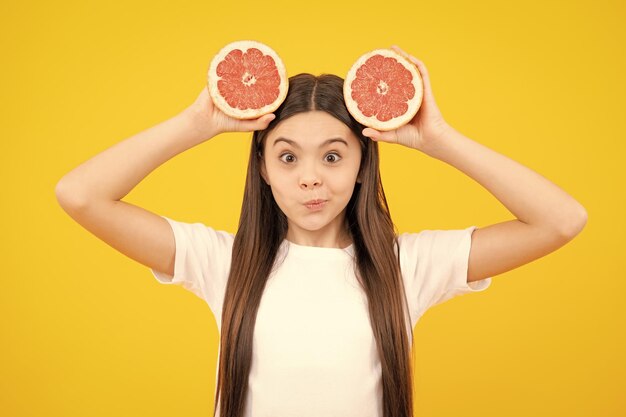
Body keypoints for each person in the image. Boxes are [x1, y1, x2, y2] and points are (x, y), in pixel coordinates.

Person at [55, 45, 587, 417]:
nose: (310, 176)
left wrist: (438, 138)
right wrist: (198, 124)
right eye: (288, 157)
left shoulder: (408, 267)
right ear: (263, 169)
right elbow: (80, 195)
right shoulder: (222, 261)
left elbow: (561, 220)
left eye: (333, 156)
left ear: (362, 166)